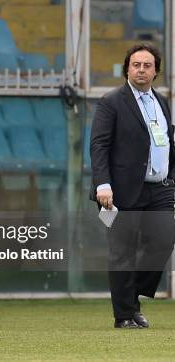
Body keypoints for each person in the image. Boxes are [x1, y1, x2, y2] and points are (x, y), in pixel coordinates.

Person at [90, 43, 175, 329]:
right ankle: (125, 314)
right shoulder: (112, 101)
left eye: (147, 65)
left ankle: (130, 294)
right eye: (136, 64)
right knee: (122, 252)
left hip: (160, 187)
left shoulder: (161, 101)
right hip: (119, 191)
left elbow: (166, 143)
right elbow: (99, 145)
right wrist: (103, 184)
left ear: (156, 71)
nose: (141, 69)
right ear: (127, 68)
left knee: (164, 240)